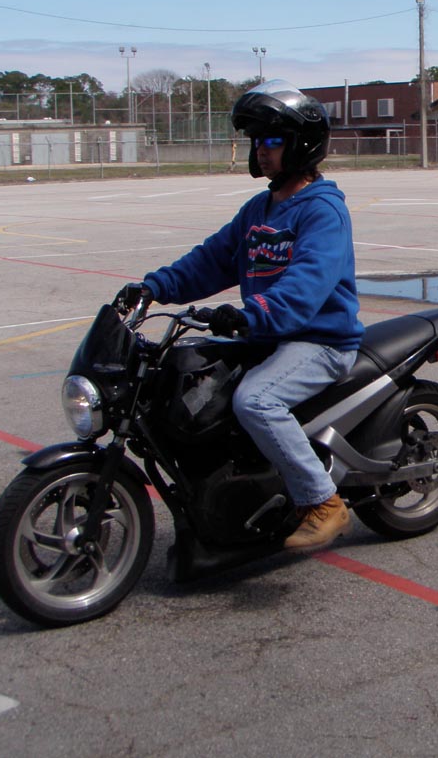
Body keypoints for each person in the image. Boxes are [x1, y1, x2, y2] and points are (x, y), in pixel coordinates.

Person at [116, 80, 364, 550]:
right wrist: (154, 287)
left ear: (300, 144)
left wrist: (253, 315)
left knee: (256, 401)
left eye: (272, 140)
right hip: (268, 335)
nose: (261, 150)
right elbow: (210, 260)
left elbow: (307, 284)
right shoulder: (259, 209)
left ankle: (322, 501)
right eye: (256, 141)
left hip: (320, 340)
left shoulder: (322, 212)